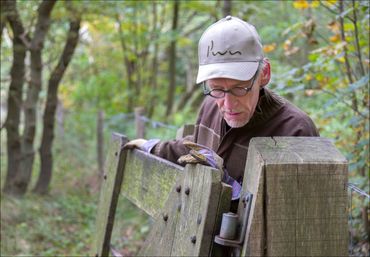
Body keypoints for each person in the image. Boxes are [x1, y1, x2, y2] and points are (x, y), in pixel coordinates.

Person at [125, 16, 319, 207]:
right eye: (217, 88)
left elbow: (298, 217)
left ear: (264, 74)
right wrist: (151, 147)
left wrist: (229, 186)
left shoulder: (296, 130)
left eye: (239, 88)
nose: (228, 103)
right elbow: (196, 147)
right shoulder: (210, 105)